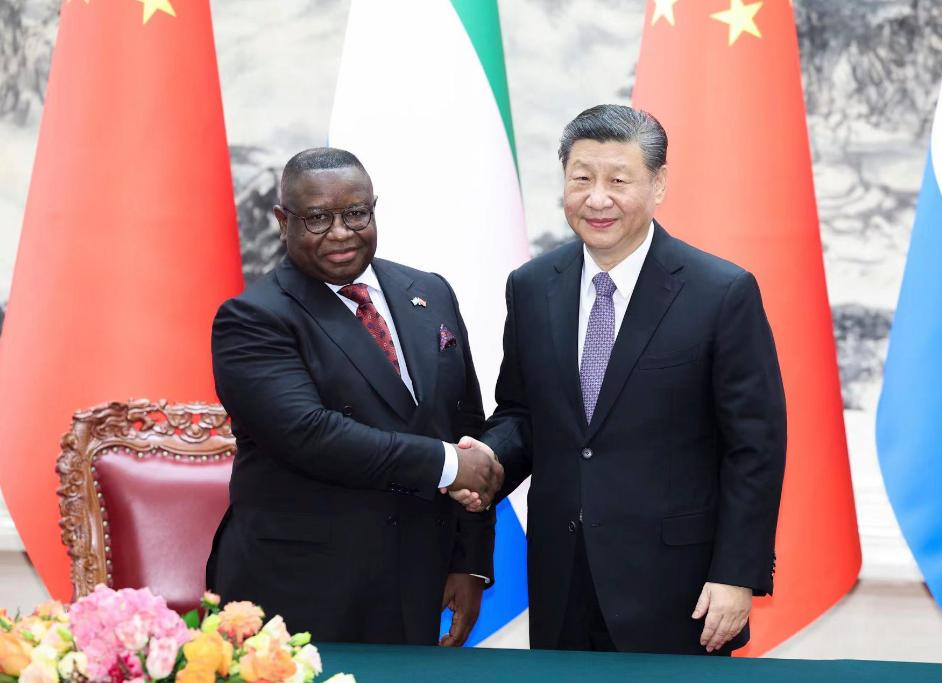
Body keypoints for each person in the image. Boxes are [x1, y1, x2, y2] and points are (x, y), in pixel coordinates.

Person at [461, 105, 786, 655]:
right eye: (581, 178)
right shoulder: (532, 286)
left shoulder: (720, 292)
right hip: (562, 576)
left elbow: (755, 446)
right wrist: (488, 462)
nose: (597, 199)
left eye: (618, 181)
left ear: (658, 184)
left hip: (679, 586)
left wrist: (736, 573)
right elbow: (523, 413)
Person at [206, 147, 503, 646]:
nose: (341, 232)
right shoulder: (252, 318)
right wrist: (448, 464)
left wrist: (469, 561)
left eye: (356, 213)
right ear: (283, 221)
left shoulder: (430, 291)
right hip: (302, 591)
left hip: (419, 581)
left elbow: (466, 426)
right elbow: (309, 435)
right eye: (317, 218)